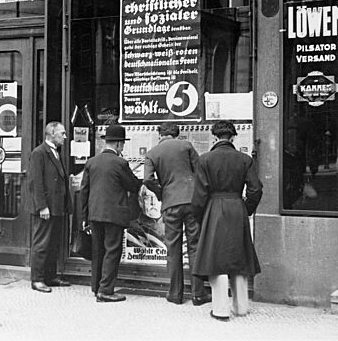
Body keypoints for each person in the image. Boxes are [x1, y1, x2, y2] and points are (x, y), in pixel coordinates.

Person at [191, 120, 263, 321]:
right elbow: (256, 189)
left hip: (213, 209)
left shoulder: (204, 160)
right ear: (233, 137)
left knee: (216, 258)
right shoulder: (244, 159)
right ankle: (241, 306)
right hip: (237, 207)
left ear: (214, 137)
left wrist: (200, 216)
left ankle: (221, 309)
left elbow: (199, 195)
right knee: (239, 256)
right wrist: (246, 208)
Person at [143, 122, 211, 306]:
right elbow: (200, 172)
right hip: (191, 201)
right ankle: (198, 294)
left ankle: (175, 294)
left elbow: (147, 180)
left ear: (160, 134)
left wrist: (162, 192)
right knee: (194, 246)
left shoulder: (152, 153)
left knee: (173, 249)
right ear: (176, 133)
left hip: (170, 203)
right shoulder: (186, 146)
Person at [79, 124, 141, 302]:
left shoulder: (91, 162)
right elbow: (132, 185)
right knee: (113, 250)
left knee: (98, 250)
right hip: (114, 214)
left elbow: (84, 191)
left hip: (95, 213)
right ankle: (106, 290)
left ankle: (96, 286)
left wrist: (85, 217)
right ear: (120, 144)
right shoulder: (120, 163)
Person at [27, 121, 71, 293]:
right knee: (42, 243)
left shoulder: (55, 152)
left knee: (52, 242)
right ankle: (37, 279)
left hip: (57, 206)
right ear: (52, 134)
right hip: (46, 207)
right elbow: (35, 182)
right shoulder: (39, 153)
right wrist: (42, 207)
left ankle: (50, 276)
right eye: (62, 134)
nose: (65, 137)